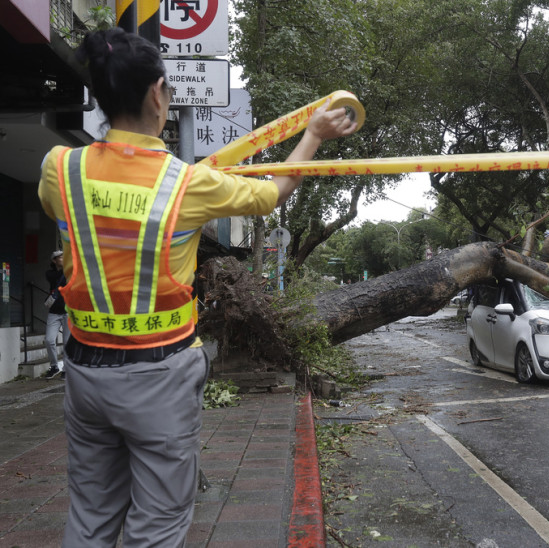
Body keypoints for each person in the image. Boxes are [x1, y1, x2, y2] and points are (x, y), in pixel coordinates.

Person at [38, 27, 357, 547]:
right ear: (159, 94)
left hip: (85, 369)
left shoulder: (61, 169)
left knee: (91, 514)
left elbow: (71, 215)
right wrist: (314, 134)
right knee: (159, 521)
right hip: (158, 374)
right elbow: (273, 192)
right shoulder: (187, 184)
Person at [44, 250, 68, 379]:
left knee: (67, 342)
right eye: (61, 257)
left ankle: (66, 369)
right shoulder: (50, 274)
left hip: (68, 311)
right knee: (49, 340)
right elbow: (58, 280)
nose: (64, 258)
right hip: (54, 311)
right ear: (54, 260)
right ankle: (54, 366)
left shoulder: (70, 272)